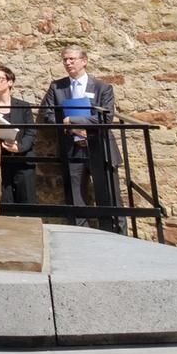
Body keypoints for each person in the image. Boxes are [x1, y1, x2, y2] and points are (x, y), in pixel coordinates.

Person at [39, 45, 121, 229]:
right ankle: (80, 237)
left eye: (72, 59)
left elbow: (106, 117)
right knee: (76, 199)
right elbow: (47, 114)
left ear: (84, 61)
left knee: (110, 198)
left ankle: (116, 235)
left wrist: (72, 119)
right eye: (65, 59)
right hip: (72, 149)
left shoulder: (102, 87)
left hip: (99, 147)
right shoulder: (57, 87)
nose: (68, 63)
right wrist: (72, 128)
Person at [0, 65, 38, 207]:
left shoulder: (22, 106)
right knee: (5, 204)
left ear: (10, 82)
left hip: (22, 161)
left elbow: (30, 132)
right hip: (0, 162)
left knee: (27, 203)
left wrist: (19, 147)